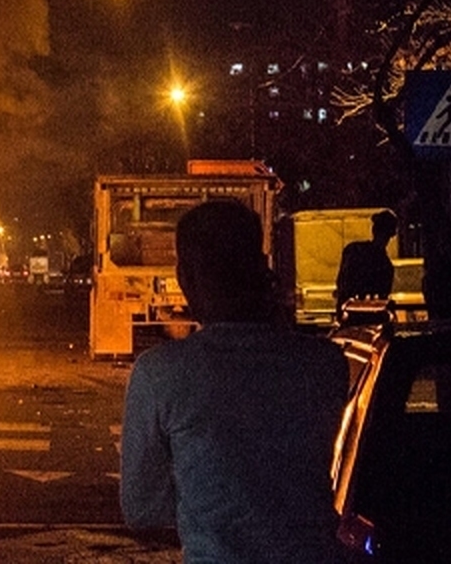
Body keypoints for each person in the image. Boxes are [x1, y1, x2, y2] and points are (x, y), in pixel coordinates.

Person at [121, 200, 349, 564]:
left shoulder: (160, 374)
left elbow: (142, 508)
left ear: (186, 279)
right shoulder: (325, 363)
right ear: (261, 267)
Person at [334, 209, 398, 310]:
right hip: (370, 316)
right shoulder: (385, 265)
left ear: (373, 230)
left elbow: (341, 283)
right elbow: (383, 296)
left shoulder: (353, 250)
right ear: (392, 234)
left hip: (350, 314)